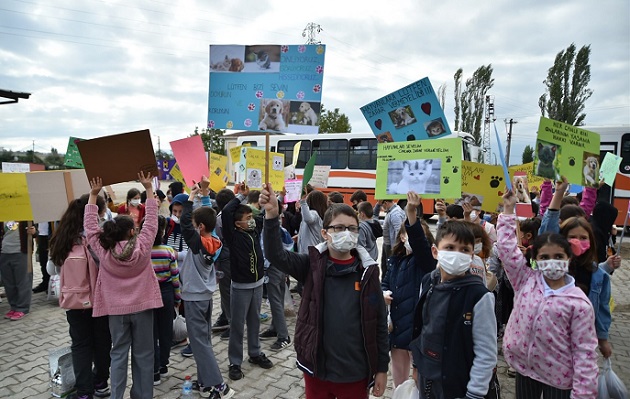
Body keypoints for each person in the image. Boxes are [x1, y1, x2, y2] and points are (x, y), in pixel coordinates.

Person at [260, 183, 389, 399]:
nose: (346, 233)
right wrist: (272, 215)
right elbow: (275, 254)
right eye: (338, 228)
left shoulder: (368, 273)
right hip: (317, 370)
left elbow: (379, 323)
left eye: (352, 228)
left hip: (354, 373)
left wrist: (382, 368)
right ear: (324, 233)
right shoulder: (310, 264)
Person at [496, 189, 598, 398]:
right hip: (524, 369)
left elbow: (584, 353)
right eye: (545, 257)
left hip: (558, 379)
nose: (552, 261)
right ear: (536, 259)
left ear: (568, 258)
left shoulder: (579, 303)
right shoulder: (525, 280)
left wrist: (583, 394)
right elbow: (507, 250)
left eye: (558, 256)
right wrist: (507, 210)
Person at [85, 173, 162, 399]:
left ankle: (116, 395)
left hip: (115, 311)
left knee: (118, 354)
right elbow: (153, 221)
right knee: (144, 354)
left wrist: (93, 194)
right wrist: (148, 188)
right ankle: (143, 395)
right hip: (143, 307)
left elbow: (90, 228)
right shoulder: (143, 245)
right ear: (132, 232)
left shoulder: (103, 249)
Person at [409, 220, 497, 398]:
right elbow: (422, 328)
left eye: (464, 250)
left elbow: (486, 353)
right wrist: (417, 365)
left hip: (459, 386)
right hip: (428, 378)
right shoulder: (428, 282)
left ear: (472, 256)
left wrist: (474, 393)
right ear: (435, 251)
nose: (457, 254)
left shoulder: (479, 296)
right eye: (449, 247)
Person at [48, 194, 112, 399]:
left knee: (81, 346)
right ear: (98, 212)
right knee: (103, 342)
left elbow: (52, 269)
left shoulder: (64, 236)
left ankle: (84, 393)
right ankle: (101, 383)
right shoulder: (99, 237)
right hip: (101, 300)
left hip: (75, 302)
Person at [179, 177, 235, 398]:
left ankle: (220, 386)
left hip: (194, 298)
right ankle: (204, 383)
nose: (192, 227)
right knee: (203, 340)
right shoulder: (214, 240)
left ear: (200, 227)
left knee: (200, 343)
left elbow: (185, 223)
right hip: (206, 295)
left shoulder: (197, 243)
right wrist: (203, 194)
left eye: (195, 225)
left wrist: (190, 199)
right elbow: (206, 214)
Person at [382, 192, 436, 387]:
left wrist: (411, 212)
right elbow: (385, 283)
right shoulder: (394, 260)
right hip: (397, 333)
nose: (408, 237)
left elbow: (420, 245)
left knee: (417, 385)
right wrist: (383, 294)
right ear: (401, 236)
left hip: (418, 336)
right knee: (400, 384)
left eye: (413, 233)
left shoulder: (426, 261)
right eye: (405, 233)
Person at [222, 183, 273, 381]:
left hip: (258, 284)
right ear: (237, 224)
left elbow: (264, 211)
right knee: (237, 325)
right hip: (241, 287)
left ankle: (255, 353)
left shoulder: (254, 230)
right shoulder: (233, 235)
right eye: (247, 219)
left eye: (252, 218)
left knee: (254, 321)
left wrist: (268, 196)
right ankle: (235, 362)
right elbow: (227, 212)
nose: (251, 221)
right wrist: (240, 196)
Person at [147, 215, 181, 386]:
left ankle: (153, 372)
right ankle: (163, 364)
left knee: (151, 333)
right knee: (165, 330)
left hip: (148, 294)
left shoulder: (142, 251)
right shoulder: (168, 251)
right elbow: (175, 277)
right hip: (166, 292)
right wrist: (177, 297)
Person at [259, 199, 294, 351]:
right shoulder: (280, 229)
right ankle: (275, 328)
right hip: (277, 268)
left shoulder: (274, 229)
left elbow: (280, 249)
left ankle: (284, 336)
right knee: (277, 299)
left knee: (275, 302)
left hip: (273, 268)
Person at [211, 188, 236, 340]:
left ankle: (233, 325)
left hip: (226, 260)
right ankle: (225, 316)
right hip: (234, 258)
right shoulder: (236, 216)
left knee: (226, 292)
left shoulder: (220, 220)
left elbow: (218, 242)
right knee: (228, 292)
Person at [0, 220, 36, 321]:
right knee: (9, 282)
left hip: (21, 252)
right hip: (4, 252)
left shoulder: (25, 215)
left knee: (23, 281)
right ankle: (13, 306)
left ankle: (22, 307)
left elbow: (34, 231)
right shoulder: (2, 214)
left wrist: (33, 232)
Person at [374, 199, 405, 280]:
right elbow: (376, 219)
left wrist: (396, 249)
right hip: (388, 245)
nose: (382, 207)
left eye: (382, 205)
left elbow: (398, 232)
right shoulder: (392, 212)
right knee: (385, 268)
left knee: (389, 270)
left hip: (391, 247)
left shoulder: (395, 214)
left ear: (386, 203)